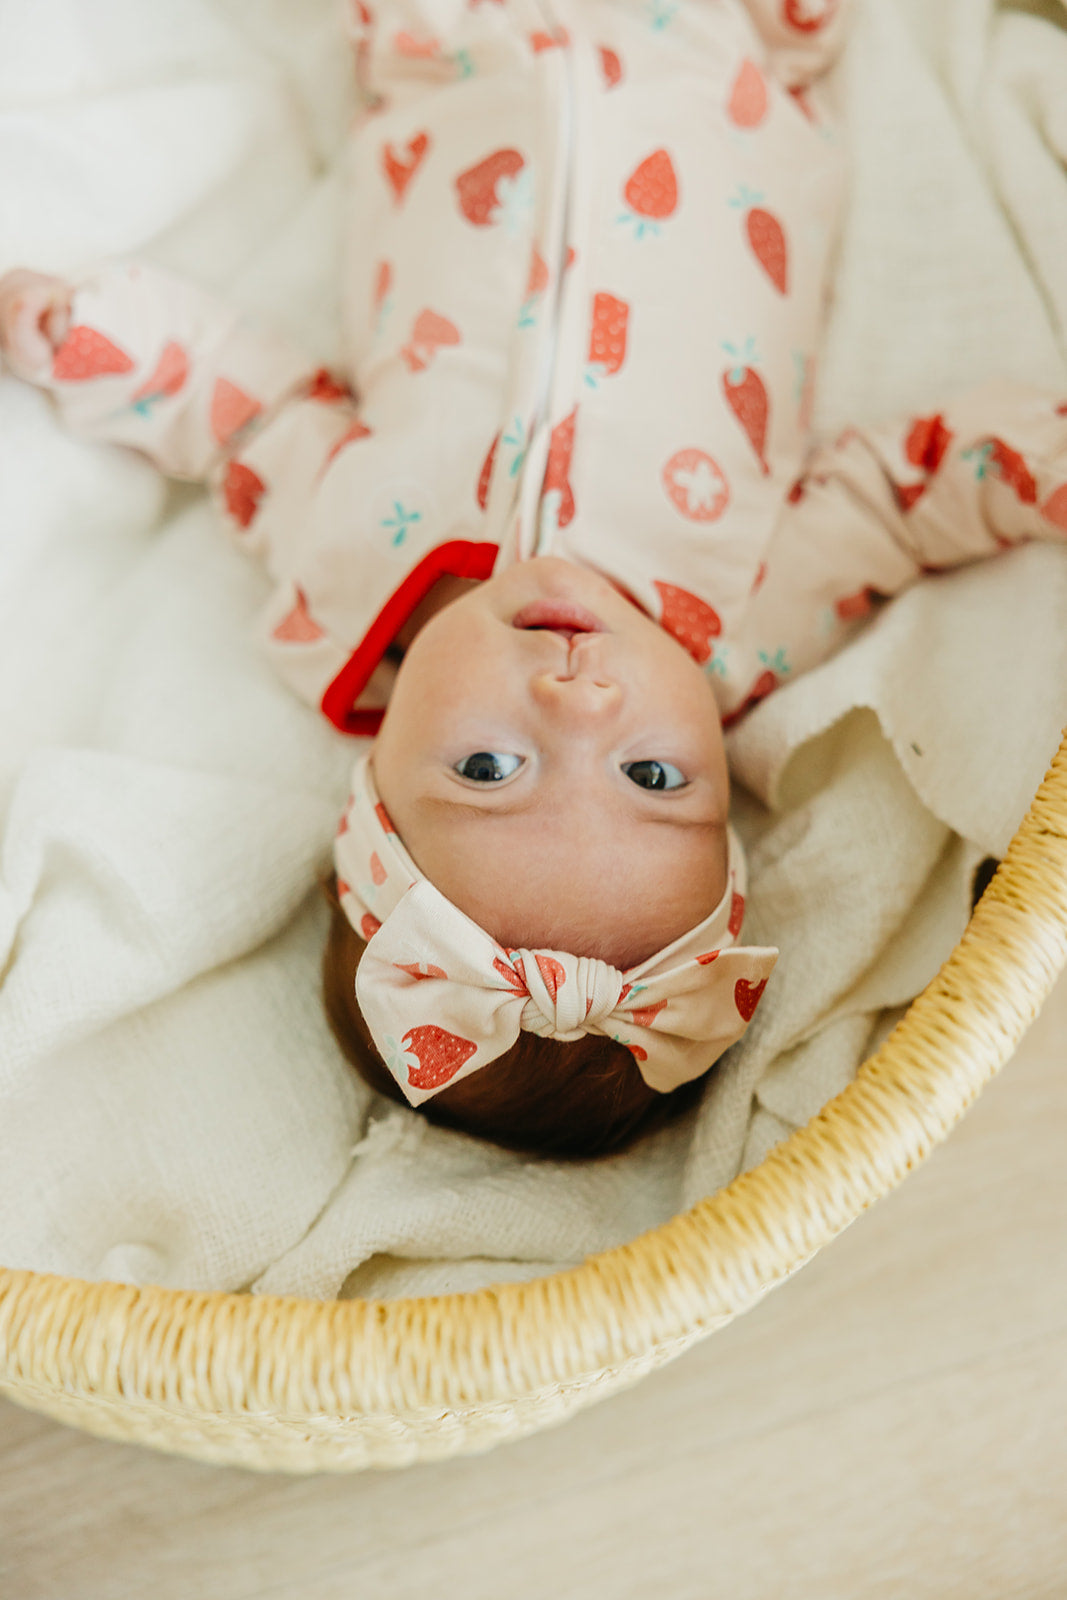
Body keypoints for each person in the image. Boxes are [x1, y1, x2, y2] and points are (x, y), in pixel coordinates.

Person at [1, 0, 1065, 1156]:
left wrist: (104, 339)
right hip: (725, 59)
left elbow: (244, 416)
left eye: (488, 766)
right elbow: (902, 493)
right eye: (654, 774)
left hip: (452, 48)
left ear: (374, 781)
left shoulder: (346, 573)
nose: (577, 697)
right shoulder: (746, 617)